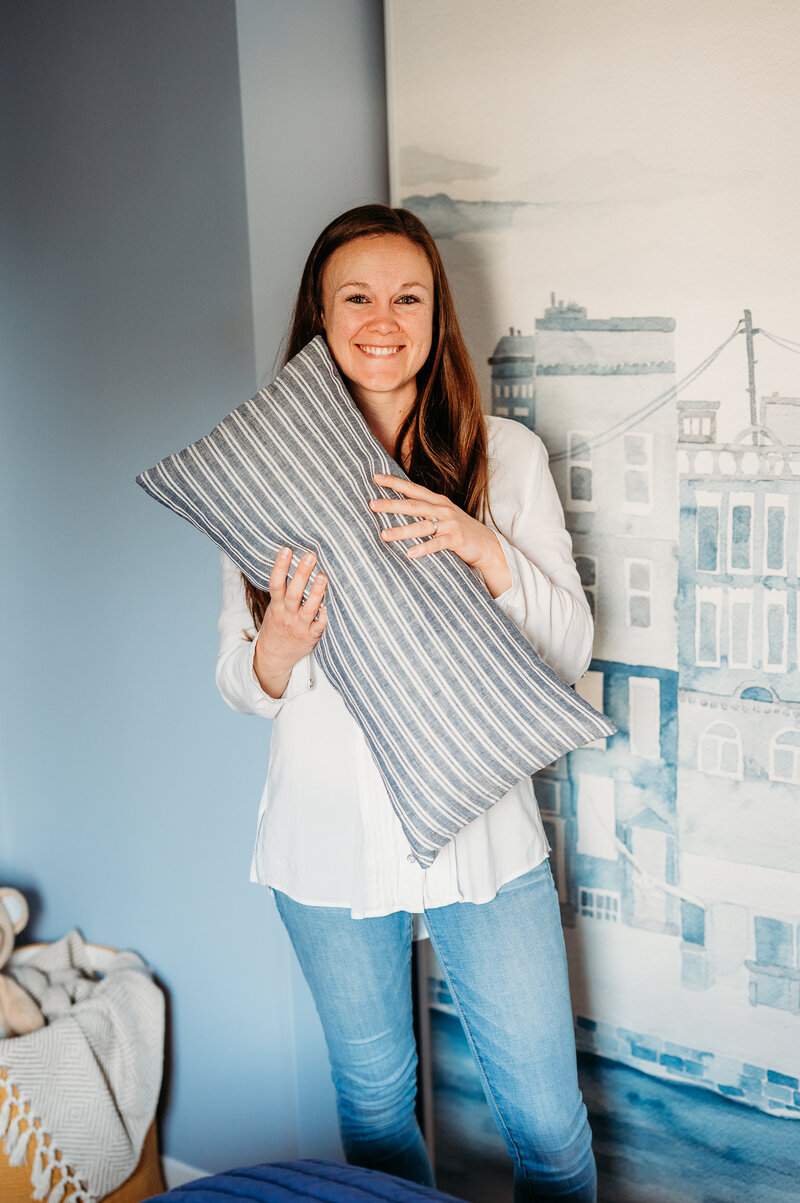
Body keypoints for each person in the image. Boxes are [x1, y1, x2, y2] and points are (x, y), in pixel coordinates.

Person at [215, 204, 597, 1202]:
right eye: (356, 296)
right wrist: (277, 646)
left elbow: (568, 652)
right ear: (320, 315)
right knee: (377, 1111)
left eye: (407, 297)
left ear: (437, 316)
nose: (382, 320)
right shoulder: (261, 470)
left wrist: (480, 546)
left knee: (550, 1131)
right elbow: (238, 685)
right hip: (324, 840)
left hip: (483, 832)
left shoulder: (503, 455)